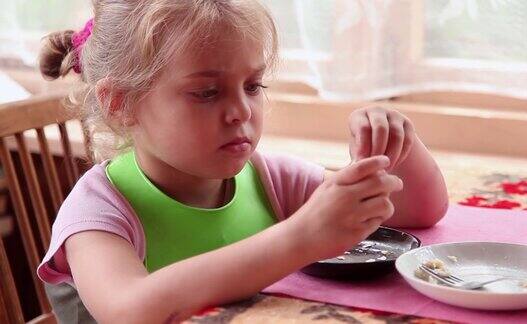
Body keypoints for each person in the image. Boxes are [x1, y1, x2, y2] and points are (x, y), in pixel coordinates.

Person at [37, 1, 448, 323]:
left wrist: (397, 148)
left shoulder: (269, 179)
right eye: (207, 92)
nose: (241, 111)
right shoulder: (98, 211)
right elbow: (130, 310)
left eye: (253, 85)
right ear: (121, 103)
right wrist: (300, 238)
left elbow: (419, 210)